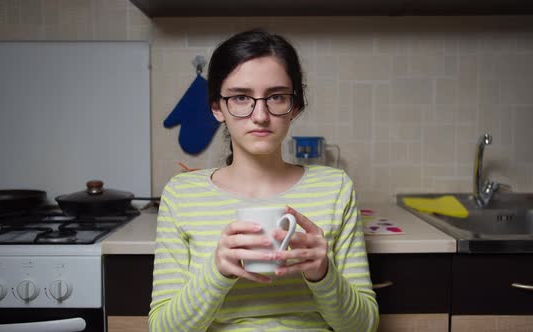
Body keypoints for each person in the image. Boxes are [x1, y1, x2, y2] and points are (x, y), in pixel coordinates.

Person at [149, 29, 379, 332]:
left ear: (294, 107)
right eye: (241, 97)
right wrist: (217, 270)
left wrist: (324, 273)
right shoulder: (182, 194)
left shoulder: (335, 187)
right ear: (217, 107)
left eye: (276, 97)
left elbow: (364, 327)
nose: (260, 115)